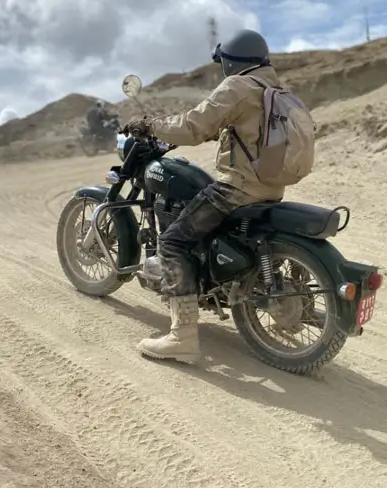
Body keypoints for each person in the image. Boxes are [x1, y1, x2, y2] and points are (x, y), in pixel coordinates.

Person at [124, 29, 297, 364]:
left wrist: (149, 124)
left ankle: (182, 336)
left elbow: (192, 125)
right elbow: (242, 133)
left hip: (238, 188)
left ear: (231, 62)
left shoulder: (238, 86)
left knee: (173, 241)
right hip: (270, 188)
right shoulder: (274, 90)